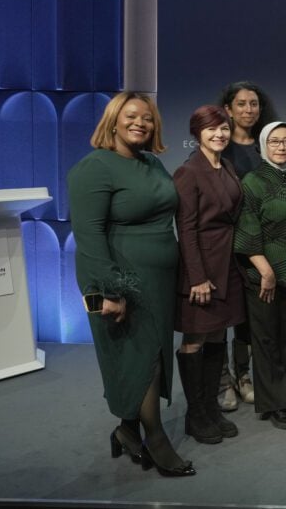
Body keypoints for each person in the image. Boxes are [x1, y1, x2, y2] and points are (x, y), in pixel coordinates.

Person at [68, 92, 194, 476]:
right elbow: (88, 237)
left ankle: (126, 431)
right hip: (121, 280)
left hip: (158, 278)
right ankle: (155, 439)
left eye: (148, 118)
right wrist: (109, 291)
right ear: (113, 121)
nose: (141, 122)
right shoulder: (94, 168)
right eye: (132, 116)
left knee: (150, 354)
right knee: (141, 360)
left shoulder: (152, 164)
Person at [173, 105, 247, 445]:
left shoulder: (227, 166)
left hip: (227, 264)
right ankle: (195, 414)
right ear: (197, 132)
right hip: (202, 267)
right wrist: (196, 278)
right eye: (211, 129)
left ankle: (211, 407)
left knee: (218, 336)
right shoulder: (189, 172)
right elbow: (185, 230)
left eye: (224, 128)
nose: (219, 134)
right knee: (196, 339)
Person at [233, 122, 286, 430]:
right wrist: (265, 271)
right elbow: (246, 231)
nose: (281, 147)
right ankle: (276, 403)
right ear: (264, 145)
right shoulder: (252, 182)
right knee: (266, 340)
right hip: (263, 276)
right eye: (275, 142)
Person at [216, 81, 278, 409]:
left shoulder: (266, 147)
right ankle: (222, 378)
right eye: (241, 104)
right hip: (225, 244)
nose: (248, 110)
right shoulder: (217, 147)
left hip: (259, 246)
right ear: (228, 109)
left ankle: (243, 375)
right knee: (220, 316)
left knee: (248, 317)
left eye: (253, 104)